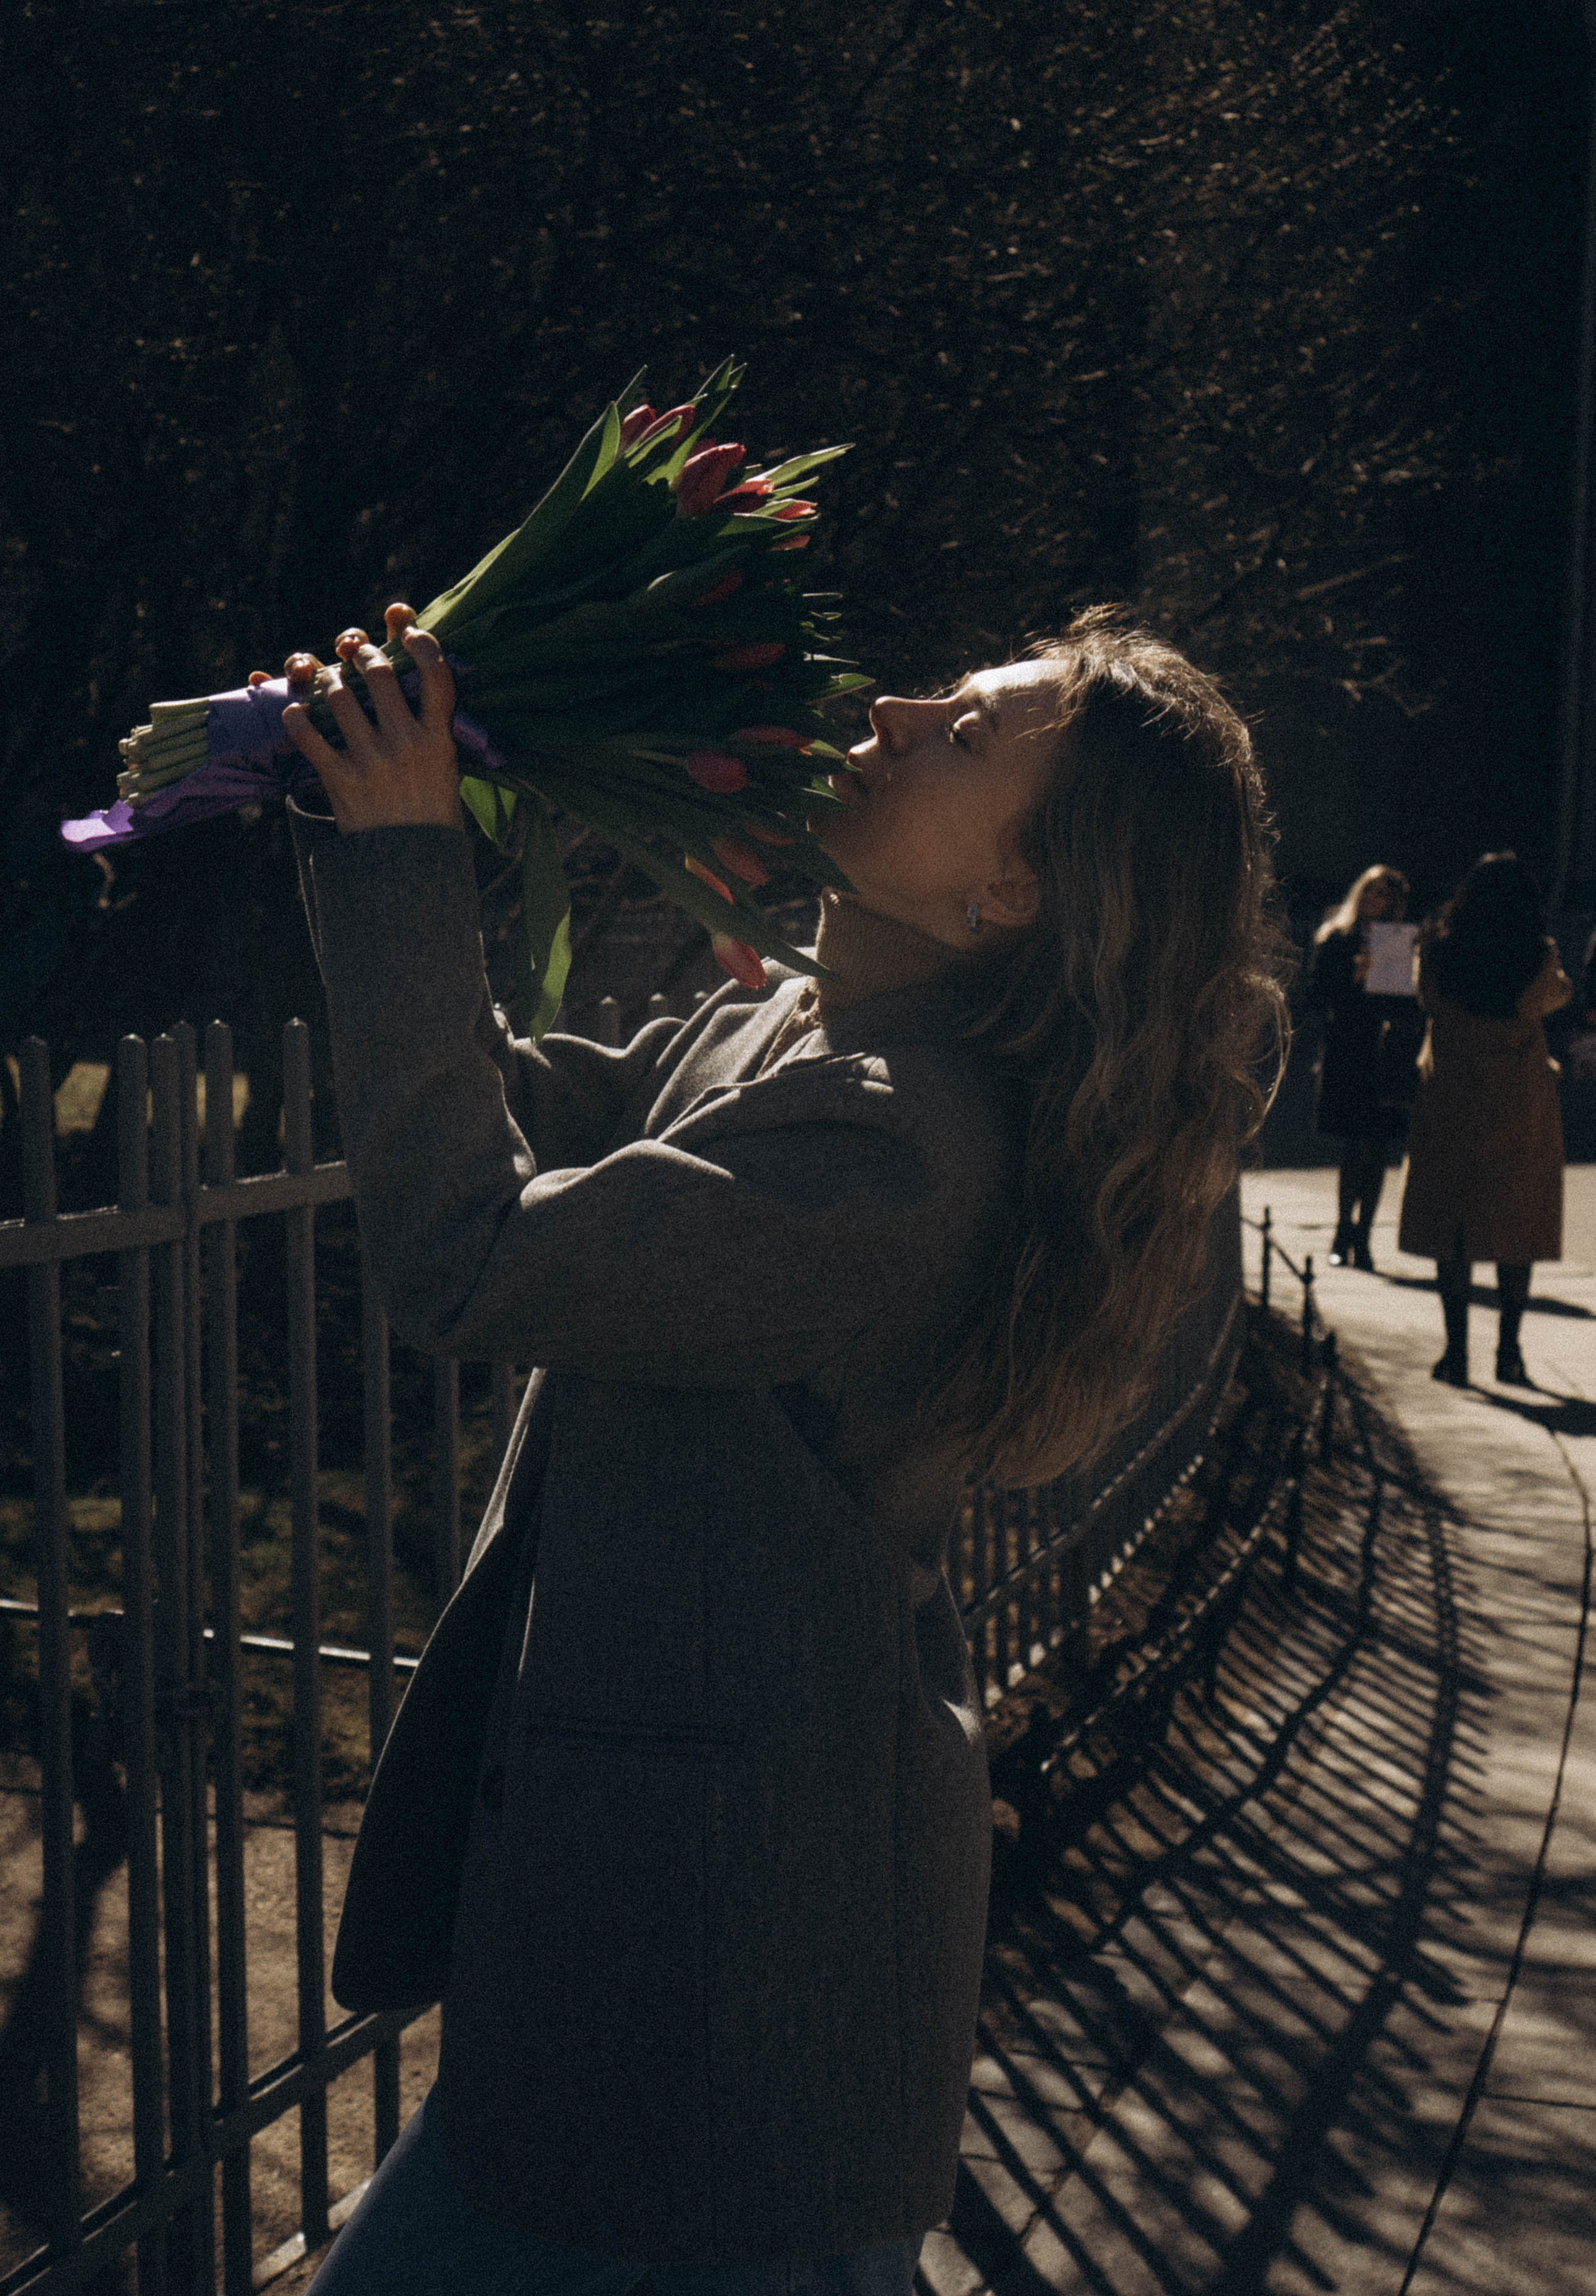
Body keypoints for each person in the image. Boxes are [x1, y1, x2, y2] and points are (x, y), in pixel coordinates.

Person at [279, 600, 1286, 2296]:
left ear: (1010, 893)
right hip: (671, 1956)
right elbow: (507, 1118)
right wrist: (350, 801)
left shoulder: (901, 1151)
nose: (892, 709)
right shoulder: (799, 1030)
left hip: (728, 1990)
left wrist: (405, 862)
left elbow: (473, 1251)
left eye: (962, 732)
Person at [1398, 852, 1571, 1387]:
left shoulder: (1438, 952)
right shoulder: (1537, 955)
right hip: (1519, 1103)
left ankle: (1456, 1354)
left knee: (1453, 1226)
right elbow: (1550, 998)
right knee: (1516, 1225)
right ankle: (1509, 1352)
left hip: (1452, 1101)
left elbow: (1426, 998)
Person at [1306, 863, 1419, 1269]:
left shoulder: (1400, 942)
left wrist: (1408, 975)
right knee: (1356, 1145)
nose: (1374, 899)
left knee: (1380, 1148)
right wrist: (1354, 977)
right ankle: (1342, 1231)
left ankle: (1365, 1236)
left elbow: (1409, 1008)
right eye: (1369, 890)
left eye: (1383, 893)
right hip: (1350, 1050)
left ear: (1393, 902)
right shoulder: (1338, 938)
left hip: (1388, 1054)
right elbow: (1316, 998)